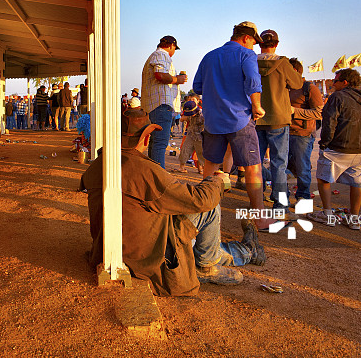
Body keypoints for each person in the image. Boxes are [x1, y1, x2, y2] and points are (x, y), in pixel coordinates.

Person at [79, 108, 265, 296]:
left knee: (201, 241)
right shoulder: (144, 169)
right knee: (210, 207)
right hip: (147, 257)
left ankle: (247, 250)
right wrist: (216, 181)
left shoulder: (100, 163)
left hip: (117, 246)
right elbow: (200, 200)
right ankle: (213, 265)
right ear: (146, 138)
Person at [192, 21, 272, 228]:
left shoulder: (209, 56)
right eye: (254, 42)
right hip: (240, 119)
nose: (254, 46)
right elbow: (254, 81)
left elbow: (197, 86)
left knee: (210, 167)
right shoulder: (246, 55)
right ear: (246, 38)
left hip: (212, 121)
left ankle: (206, 216)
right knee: (253, 168)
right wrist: (257, 106)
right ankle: (259, 218)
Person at [307, 69, 361, 230]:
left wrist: (324, 143)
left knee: (324, 179)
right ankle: (354, 218)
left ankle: (327, 213)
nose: (332, 83)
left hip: (338, 147)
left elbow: (329, 122)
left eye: (335, 81)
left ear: (345, 82)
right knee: (357, 183)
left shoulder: (338, 97)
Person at [256, 29, 303, 210]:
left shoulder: (252, 62)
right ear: (276, 44)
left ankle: (258, 199)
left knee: (256, 163)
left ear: (260, 44)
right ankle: (280, 202)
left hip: (257, 118)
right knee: (279, 163)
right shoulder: (283, 63)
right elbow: (297, 83)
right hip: (279, 119)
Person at [140, 35, 187, 169]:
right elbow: (160, 75)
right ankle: (159, 178)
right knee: (160, 143)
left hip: (154, 106)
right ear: (172, 46)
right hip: (161, 105)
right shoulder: (162, 55)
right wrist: (178, 79)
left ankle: (153, 176)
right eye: (174, 49)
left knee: (155, 143)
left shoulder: (155, 55)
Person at [287, 58, 324, 202]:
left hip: (302, 135)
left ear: (294, 71)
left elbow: (319, 112)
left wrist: (294, 111)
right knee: (283, 168)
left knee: (302, 168)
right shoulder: (285, 87)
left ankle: (303, 198)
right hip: (283, 133)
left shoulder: (309, 88)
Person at [178, 96, 204, 174]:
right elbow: (181, 119)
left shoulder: (203, 115)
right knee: (185, 150)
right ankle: (181, 167)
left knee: (201, 153)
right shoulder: (188, 114)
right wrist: (184, 118)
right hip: (190, 134)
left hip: (200, 137)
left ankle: (203, 169)